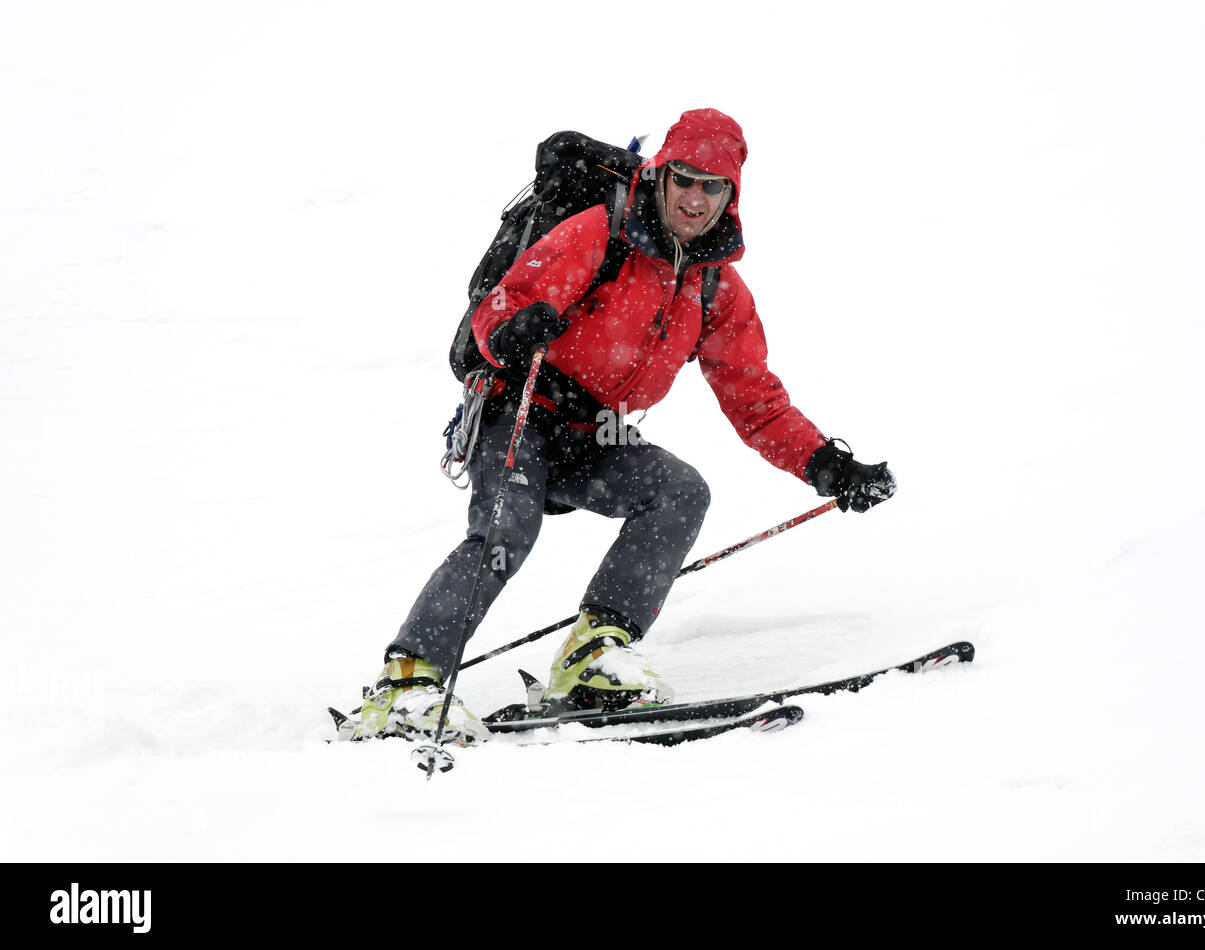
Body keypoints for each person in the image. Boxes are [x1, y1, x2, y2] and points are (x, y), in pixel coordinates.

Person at [344, 109, 896, 745]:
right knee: (505, 529)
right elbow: (500, 304)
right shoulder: (599, 234)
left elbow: (754, 398)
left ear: (731, 196)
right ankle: (408, 682)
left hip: (595, 437)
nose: (695, 197)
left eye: (712, 186)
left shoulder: (717, 288)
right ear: (661, 174)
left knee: (680, 491)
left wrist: (827, 464)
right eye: (684, 178)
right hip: (517, 410)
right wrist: (514, 330)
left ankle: (594, 655)